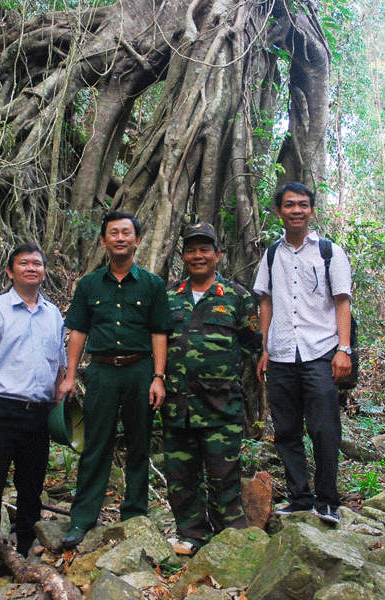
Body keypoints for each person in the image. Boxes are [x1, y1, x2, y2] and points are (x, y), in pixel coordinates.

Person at [57, 211, 172, 549]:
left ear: (137, 241)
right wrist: (70, 375)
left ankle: (134, 515)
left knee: (139, 444)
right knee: (96, 444)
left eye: (126, 233)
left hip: (140, 370)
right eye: (113, 233)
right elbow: (78, 330)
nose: (120, 238)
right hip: (102, 371)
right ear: (104, 240)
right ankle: (82, 519)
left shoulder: (152, 284)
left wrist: (158, 377)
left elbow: (159, 332)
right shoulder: (90, 285)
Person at [0, 244, 66, 596]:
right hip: (0, 409)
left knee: (31, 487)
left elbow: (59, 362)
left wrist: (64, 391)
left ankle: (23, 554)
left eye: (38, 263)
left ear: (45, 270)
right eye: (24, 263)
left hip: (38, 413)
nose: (31, 268)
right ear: (10, 271)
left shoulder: (53, 314)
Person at [252, 182, 353, 525]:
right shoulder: (271, 254)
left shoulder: (329, 252)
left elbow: (342, 301)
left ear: (312, 210)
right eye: (290, 205)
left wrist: (344, 350)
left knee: (325, 429)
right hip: (280, 354)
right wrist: (263, 347)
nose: (297, 210)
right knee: (286, 431)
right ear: (279, 211)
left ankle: (327, 501)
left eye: (304, 205)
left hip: (321, 352)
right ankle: (299, 498)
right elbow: (265, 300)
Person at [163, 222, 262, 555]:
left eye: (205, 249)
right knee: (181, 478)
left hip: (221, 406)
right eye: (191, 249)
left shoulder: (237, 297)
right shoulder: (169, 297)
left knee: (224, 476)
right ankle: (191, 534)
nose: (198, 256)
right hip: (177, 406)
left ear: (218, 255)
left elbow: (252, 347)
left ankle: (230, 539)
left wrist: (228, 381)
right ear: (183, 255)